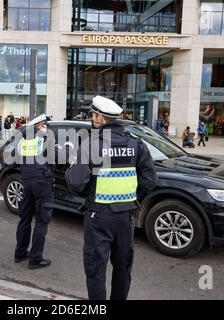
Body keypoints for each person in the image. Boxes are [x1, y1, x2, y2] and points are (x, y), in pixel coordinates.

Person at [65, 96, 158, 300]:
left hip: (98, 217)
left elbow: (75, 183)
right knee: (123, 268)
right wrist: (132, 199)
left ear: (99, 117)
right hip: (126, 218)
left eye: (93, 116)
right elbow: (150, 181)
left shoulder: (90, 145)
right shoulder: (136, 144)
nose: (92, 119)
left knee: (96, 270)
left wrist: (75, 175)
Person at [14, 114, 57, 269]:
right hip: (42, 183)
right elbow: (55, 159)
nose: (48, 127)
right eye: (45, 124)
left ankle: (20, 253)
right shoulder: (46, 139)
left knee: (24, 218)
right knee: (41, 221)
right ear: (39, 125)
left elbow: (15, 156)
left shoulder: (22, 139)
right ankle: (35, 259)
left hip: (26, 181)